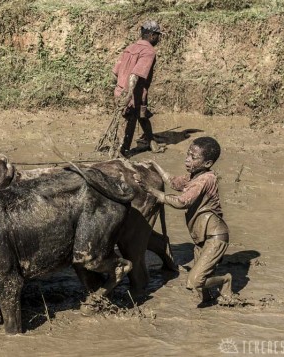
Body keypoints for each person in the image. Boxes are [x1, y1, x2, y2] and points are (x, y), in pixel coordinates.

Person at [134, 137, 239, 306]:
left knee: (194, 282)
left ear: (208, 163)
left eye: (193, 157)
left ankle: (226, 281)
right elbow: (174, 182)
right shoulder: (194, 176)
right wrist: (156, 166)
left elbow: (182, 202)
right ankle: (210, 301)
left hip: (215, 236)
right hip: (201, 238)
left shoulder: (205, 180)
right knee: (201, 286)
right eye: (188, 154)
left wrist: (151, 190)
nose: (187, 159)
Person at [112, 20, 163, 158]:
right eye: (158, 35)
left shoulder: (130, 47)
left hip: (123, 90)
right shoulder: (148, 52)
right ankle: (122, 153)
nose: (158, 39)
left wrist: (119, 89)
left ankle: (151, 142)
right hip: (133, 93)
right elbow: (135, 74)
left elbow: (115, 72)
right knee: (129, 122)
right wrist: (129, 94)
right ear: (152, 35)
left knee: (142, 115)